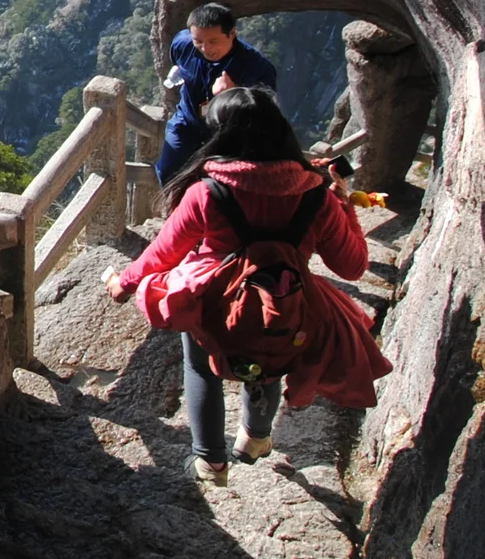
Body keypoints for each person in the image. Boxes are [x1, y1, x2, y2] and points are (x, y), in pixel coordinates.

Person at [108, 85, 389, 486]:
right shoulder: (315, 196)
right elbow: (353, 266)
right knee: (271, 359)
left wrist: (127, 282)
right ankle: (256, 437)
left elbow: (163, 253)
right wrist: (343, 201)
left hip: (217, 302)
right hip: (285, 301)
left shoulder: (207, 192)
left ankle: (210, 463)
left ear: (225, 136)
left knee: (201, 367)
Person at [154, 2, 279, 184]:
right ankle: (177, 210)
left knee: (220, 183)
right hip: (188, 122)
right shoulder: (183, 44)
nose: (206, 49)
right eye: (199, 41)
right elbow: (177, 58)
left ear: (232, 34)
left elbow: (263, 114)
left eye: (213, 41)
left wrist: (233, 95)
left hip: (228, 133)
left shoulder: (256, 68)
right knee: (168, 171)